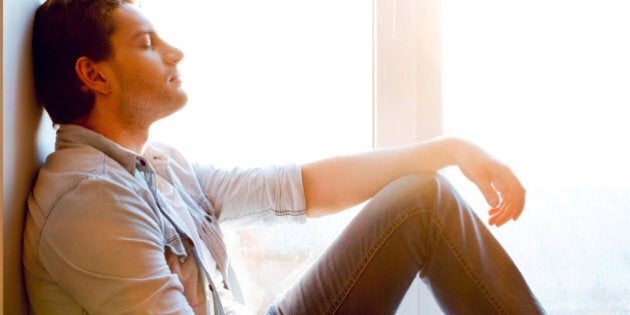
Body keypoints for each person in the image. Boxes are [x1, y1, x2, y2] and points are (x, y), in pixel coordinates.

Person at [23, 0, 545, 314]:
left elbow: (302, 188)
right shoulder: (89, 200)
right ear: (95, 75)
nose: (174, 52)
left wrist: (451, 149)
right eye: (146, 42)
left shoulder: (157, 165)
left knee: (421, 198)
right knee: (424, 201)